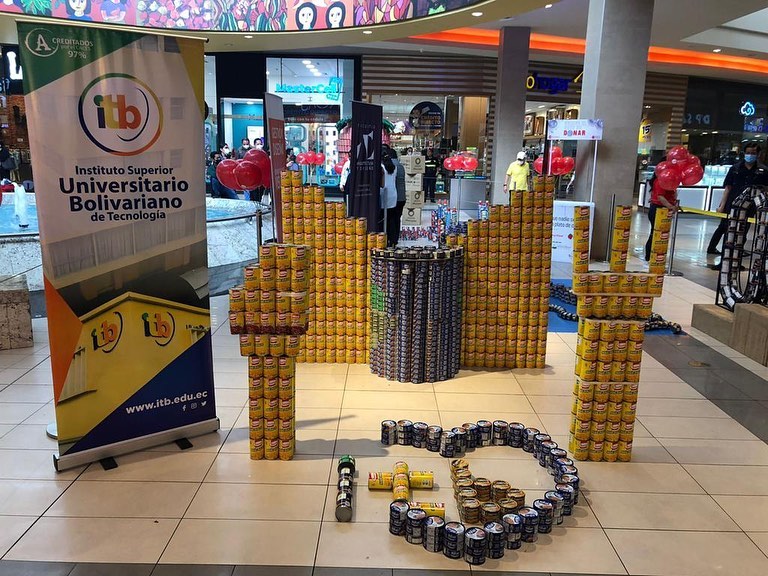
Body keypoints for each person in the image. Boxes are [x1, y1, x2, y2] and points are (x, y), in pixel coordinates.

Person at [706, 143, 768, 255]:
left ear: (758, 154)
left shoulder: (763, 170)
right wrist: (722, 205)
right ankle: (717, 250)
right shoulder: (736, 168)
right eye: (748, 153)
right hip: (733, 203)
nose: (750, 155)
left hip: (750, 206)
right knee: (725, 227)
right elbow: (728, 187)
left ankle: (738, 251)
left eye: (753, 153)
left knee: (743, 229)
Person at [644, 158, 677, 261]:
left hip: (662, 209)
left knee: (659, 233)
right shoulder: (660, 181)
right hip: (658, 209)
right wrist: (671, 206)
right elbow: (660, 197)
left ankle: (656, 255)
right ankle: (649, 256)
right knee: (655, 232)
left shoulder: (667, 180)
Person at [388, 149, 407, 247]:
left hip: (395, 197)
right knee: (397, 218)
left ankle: (392, 239)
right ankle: (396, 238)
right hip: (402, 197)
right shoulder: (401, 166)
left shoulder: (392, 166)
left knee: (391, 218)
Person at [380, 149, 398, 246]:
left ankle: (384, 240)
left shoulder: (381, 167)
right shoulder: (394, 167)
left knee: (383, 219)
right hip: (393, 194)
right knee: (391, 219)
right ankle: (393, 240)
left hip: (384, 195)